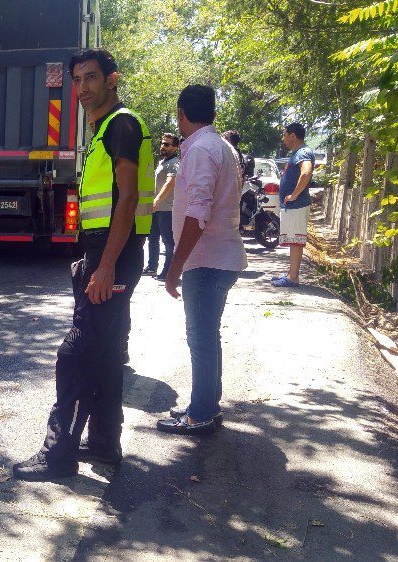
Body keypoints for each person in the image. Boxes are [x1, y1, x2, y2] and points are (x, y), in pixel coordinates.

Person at [13, 49, 153, 480]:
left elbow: (127, 198)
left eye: (91, 77)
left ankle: (58, 455)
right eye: (77, 80)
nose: (83, 87)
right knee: (107, 353)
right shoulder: (104, 131)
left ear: (112, 79)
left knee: (74, 353)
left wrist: (105, 265)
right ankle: (104, 444)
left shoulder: (121, 125)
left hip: (112, 253)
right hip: (108, 251)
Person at [158, 85, 247, 435]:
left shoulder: (200, 151)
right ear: (212, 112)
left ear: (181, 113)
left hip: (206, 261)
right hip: (217, 258)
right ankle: (205, 404)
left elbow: (197, 214)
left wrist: (174, 267)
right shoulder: (220, 146)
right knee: (207, 336)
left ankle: (201, 415)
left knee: (201, 338)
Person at [272, 122, 314, 288]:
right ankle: (291, 273)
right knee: (293, 240)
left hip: (297, 205)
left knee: (295, 241)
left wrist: (294, 195)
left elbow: (306, 172)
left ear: (292, 136)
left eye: (284, 135)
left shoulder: (303, 152)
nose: (283, 139)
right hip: (293, 206)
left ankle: (293, 278)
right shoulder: (299, 152)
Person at [143, 132, 180, 280]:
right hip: (156, 209)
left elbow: (170, 182)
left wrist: (157, 200)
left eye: (167, 144)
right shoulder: (162, 162)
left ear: (175, 147)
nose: (163, 146)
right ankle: (152, 267)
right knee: (152, 238)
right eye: (162, 143)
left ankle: (169, 271)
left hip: (167, 209)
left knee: (168, 241)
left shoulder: (175, 163)